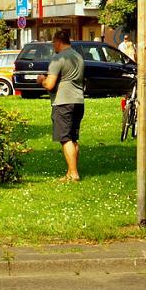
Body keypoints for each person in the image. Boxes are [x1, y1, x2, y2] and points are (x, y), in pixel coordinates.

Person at [37, 29, 85, 183]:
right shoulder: (78, 57)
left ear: (58, 41)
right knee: (73, 138)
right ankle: (71, 172)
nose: (53, 46)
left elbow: (50, 85)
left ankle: (74, 173)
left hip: (63, 101)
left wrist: (41, 80)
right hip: (78, 101)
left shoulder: (58, 59)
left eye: (53, 43)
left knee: (65, 138)